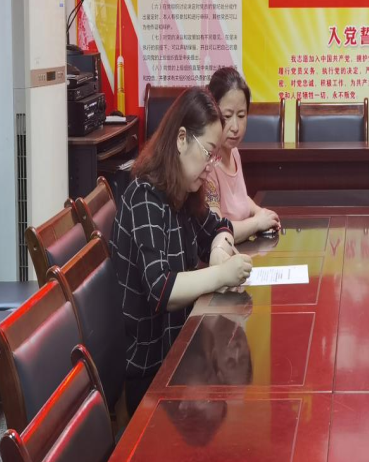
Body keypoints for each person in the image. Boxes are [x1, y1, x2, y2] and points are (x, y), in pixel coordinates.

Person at [111, 87, 254, 415]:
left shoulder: (184, 192)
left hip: (182, 351)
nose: (211, 166)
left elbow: (219, 227)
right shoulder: (145, 197)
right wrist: (220, 273)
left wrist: (217, 249)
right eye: (208, 153)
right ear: (180, 139)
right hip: (151, 370)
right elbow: (161, 289)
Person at [206, 67, 281, 237]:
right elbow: (217, 231)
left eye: (241, 116)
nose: (235, 127)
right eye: (227, 116)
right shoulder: (207, 165)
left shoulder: (233, 152)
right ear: (211, 112)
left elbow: (239, 199)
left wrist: (260, 212)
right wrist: (256, 223)